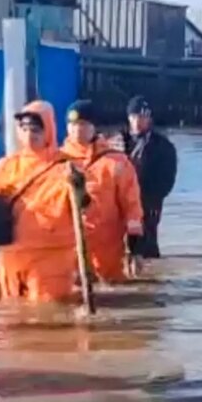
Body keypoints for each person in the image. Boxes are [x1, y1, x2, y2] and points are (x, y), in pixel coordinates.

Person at [0, 100, 87, 304]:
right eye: (25, 129)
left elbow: (84, 205)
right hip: (11, 257)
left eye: (36, 129)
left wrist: (79, 188)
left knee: (49, 316)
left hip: (51, 259)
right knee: (13, 321)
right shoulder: (6, 166)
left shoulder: (67, 167)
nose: (30, 134)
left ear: (48, 130)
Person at [59, 99, 144, 284]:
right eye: (72, 125)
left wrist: (135, 248)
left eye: (83, 124)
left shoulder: (116, 162)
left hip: (108, 254)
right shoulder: (56, 163)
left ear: (94, 127)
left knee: (115, 301)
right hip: (68, 252)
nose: (77, 130)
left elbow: (132, 207)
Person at [117, 95, 178, 259]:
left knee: (147, 246)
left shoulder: (163, 146)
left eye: (143, 117)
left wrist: (150, 198)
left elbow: (167, 179)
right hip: (118, 202)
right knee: (117, 246)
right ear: (128, 117)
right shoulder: (115, 142)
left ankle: (151, 279)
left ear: (149, 118)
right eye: (134, 116)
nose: (138, 121)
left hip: (148, 203)